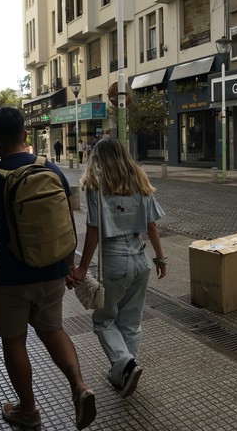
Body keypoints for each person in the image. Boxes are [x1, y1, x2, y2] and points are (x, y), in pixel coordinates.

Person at [0, 107, 96, 430]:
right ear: (25, 135)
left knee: (14, 341)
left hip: (12, 276)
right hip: (52, 271)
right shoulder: (50, 169)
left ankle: (28, 411)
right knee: (53, 330)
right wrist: (68, 264)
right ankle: (79, 385)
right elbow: (66, 225)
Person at [71, 137, 167, 399]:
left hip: (114, 259)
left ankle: (125, 363)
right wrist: (161, 258)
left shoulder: (95, 185)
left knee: (103, 320)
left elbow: (93, 230)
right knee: (131, 322)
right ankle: (124, 373)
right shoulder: (140, 181)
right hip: (141, 258)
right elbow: (152, 226)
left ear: (97, 158)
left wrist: (81, 268)